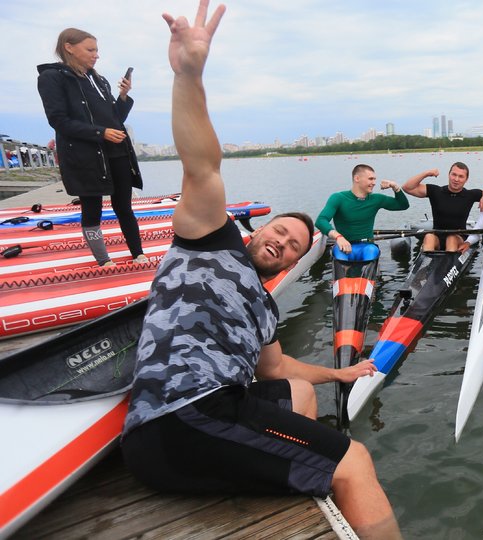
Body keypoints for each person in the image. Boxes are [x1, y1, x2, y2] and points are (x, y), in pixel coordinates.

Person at [120, 4, 401, 538]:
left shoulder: (261, 304)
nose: (281, 241)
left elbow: (277, 370)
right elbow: (201, 163)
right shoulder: (209, 240)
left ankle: (305, 465)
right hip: (182, 416)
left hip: (197, 423)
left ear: (294, 263)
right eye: (277, 231)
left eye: (293, 245)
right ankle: (331, 471)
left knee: (297, 396)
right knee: (356, 461)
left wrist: (340, 373)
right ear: (257, 230)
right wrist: (189, 76)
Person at [37, 27, 146, 267]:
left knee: (124, 206)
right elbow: (58, 120)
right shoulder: (51, 77)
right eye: (90, 49)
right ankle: (103, 260)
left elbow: (114, 118)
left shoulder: (98, 79)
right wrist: (101, 133)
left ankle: (138, 253)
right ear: (69, 47)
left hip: (117, 151)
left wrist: (124, 96)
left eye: (96, 50)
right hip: (87, 156)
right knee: (92, 208)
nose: (96, 55)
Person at [315, 164, 409, 257]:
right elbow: (321, 220)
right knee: (339, 255)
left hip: (367, 247)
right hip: (344, 246)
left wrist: (395, 187)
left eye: (374, 179)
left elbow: (403, 205)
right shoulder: (338, 198)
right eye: (370, 179)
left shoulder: (377, 199)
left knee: (371, 251)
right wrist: (338, 237)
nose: (374, 183)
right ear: (357, 178)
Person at [401, 162, 483, 251]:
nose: (456, 179)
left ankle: (450, 261)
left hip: (458, 238)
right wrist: (426, 173)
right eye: (454, 175)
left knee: (451, 238)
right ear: (449, 175)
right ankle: (427, 261)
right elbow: (407, 187)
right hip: (437, 237)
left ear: (466, 179)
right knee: (429, 236)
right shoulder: (435, 191)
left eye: (461, 176)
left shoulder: (470, 194)